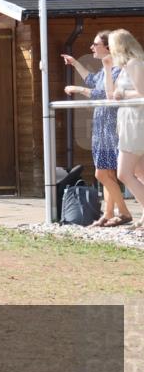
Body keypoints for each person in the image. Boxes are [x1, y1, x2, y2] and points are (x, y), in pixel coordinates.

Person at [62, 31, 132, 226]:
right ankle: (109, 214)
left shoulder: (117, 69)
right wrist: (75, 63)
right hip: (101, 124)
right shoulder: (105, 69)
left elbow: (102, 93)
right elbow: (93, 81)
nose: (92, 47)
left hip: (111, 126)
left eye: (95, 44)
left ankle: (124, 212)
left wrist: (77, 90)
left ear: (107, 47)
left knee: (102, 174)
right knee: (107, 174)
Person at [105, 29, 144, 230]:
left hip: (136, 121)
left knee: (124, 173)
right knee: (139, 171)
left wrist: (122, 93)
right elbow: (110, 94)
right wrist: (107, 69)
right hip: (128, 121)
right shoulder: (125, 67)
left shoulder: (135, 63)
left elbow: (141, 93)